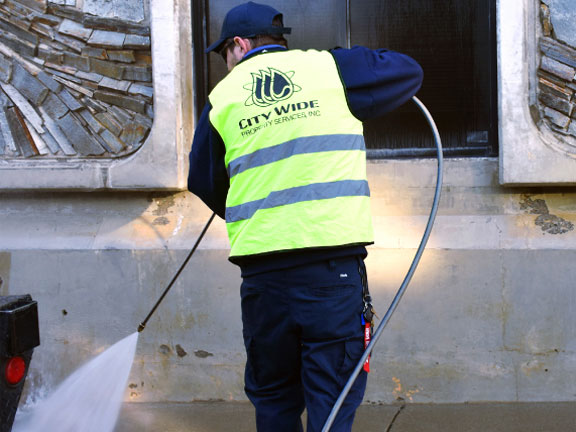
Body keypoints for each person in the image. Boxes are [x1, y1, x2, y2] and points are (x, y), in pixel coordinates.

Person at [188, 2, 423, 431]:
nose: (226, 65)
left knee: (275, 400)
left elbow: (203, 182)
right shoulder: (331, 69)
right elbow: (407, 71)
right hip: (330, 276)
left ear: (239, 45)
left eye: (224, 54)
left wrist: (255, 202)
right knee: (332, 403)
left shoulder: (221, 100)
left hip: (264, 283)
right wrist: (341, 62)